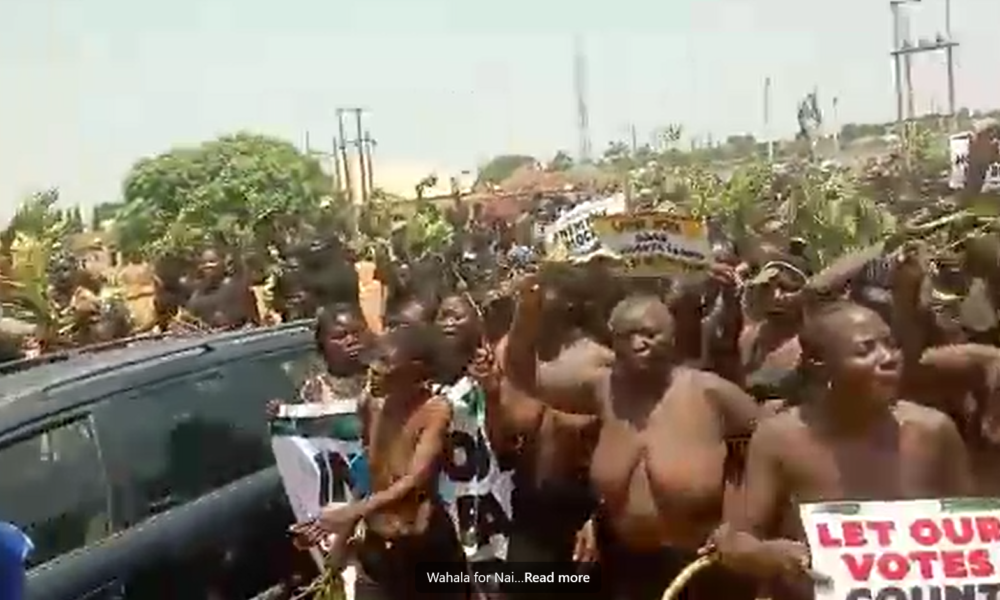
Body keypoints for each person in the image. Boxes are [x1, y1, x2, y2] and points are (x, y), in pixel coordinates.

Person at [709, 301, 972, 598]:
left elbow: (970, 531)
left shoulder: (933, 431)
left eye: (891, 344)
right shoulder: (779, 438)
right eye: (865, 350)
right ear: (818, 363)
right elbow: (738, 541)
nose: (888, 358)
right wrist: (774, 556)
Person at [586, 294, 759, 600]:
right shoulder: (607, 393)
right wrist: (596, 517)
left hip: (702, 566)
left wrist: (740, 520)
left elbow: (771, 447)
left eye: (650, 334)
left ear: (672, 336)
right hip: (625, 564)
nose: (638, 344)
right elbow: (530, 378)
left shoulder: (709, 392)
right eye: (626, 336)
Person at [293, 324, 466, 600]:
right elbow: (370, 474)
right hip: (378, 550)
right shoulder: (372, 405)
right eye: (374, 359)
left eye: (385, 362)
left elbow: (413, 481)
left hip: (424, 551)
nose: (373, 369)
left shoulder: (435, 410)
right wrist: (340, 543)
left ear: (414, 370)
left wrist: (351, 513)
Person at [495, 265, 612, 566]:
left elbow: (622, 443)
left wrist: (599, 516)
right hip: (523, 505)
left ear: (570, 302)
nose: (537, 292)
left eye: (545, 288)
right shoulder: (511, 351)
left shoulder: (598, 361)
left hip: (580, 508)